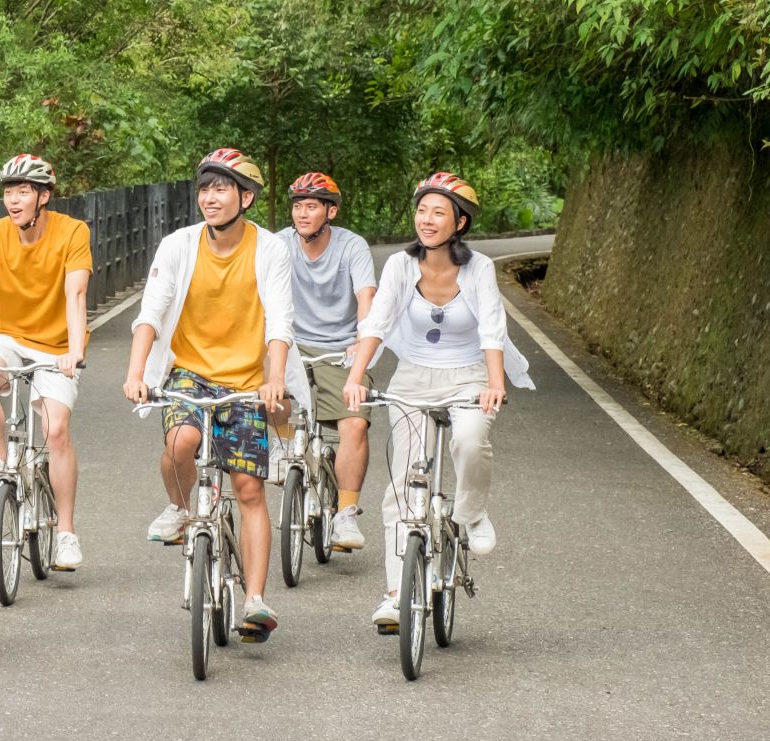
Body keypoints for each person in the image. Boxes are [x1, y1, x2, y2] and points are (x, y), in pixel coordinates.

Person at [122, 148, 306, 637]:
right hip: (189, 374)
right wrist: (136, 371)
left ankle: (255, 601)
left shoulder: (269, 249)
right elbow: (151, 312)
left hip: (248, 379)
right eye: (204, 188)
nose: (210, 197)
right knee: (180, 443)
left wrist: (274, 378)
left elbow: (280, 319)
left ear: (245, 197)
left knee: (247, 489)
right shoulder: (178, 245)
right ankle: (181, 509)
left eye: (221, 188)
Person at [343, 172, 535, 632]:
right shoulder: (401, 266)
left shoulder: (479, 268)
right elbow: (377, 322)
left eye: (438, 212)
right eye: (422, 210)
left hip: (469, 373)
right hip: (413, 375)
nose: (426, 220)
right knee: (402, 486)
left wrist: (494, 383)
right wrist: (356, 377)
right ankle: (394, 593)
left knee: (469, 441)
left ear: (460, 223)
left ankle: (470, 513)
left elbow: (492, 327)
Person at [0, 154, 92, 570]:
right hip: (8, 337)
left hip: (57, 345)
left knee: (56, 431)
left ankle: (67, 532)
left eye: (23, 192)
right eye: (8, 192)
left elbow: (75, 295)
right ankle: (2, 460)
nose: (13, 200)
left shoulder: (72, 232)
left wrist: (74, 350)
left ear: (44, 196)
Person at [276, 171, 377, 551]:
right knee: (264, 388)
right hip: (292, 344)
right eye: (298, 206)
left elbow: (366, 298)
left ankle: (346, 513)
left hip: (342, 347)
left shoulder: (352, 247)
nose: (302, 214)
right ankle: (283, 446)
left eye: (312, 206)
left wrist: (362, 343)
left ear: (330, 211)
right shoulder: (279, 244)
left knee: (354, 424)